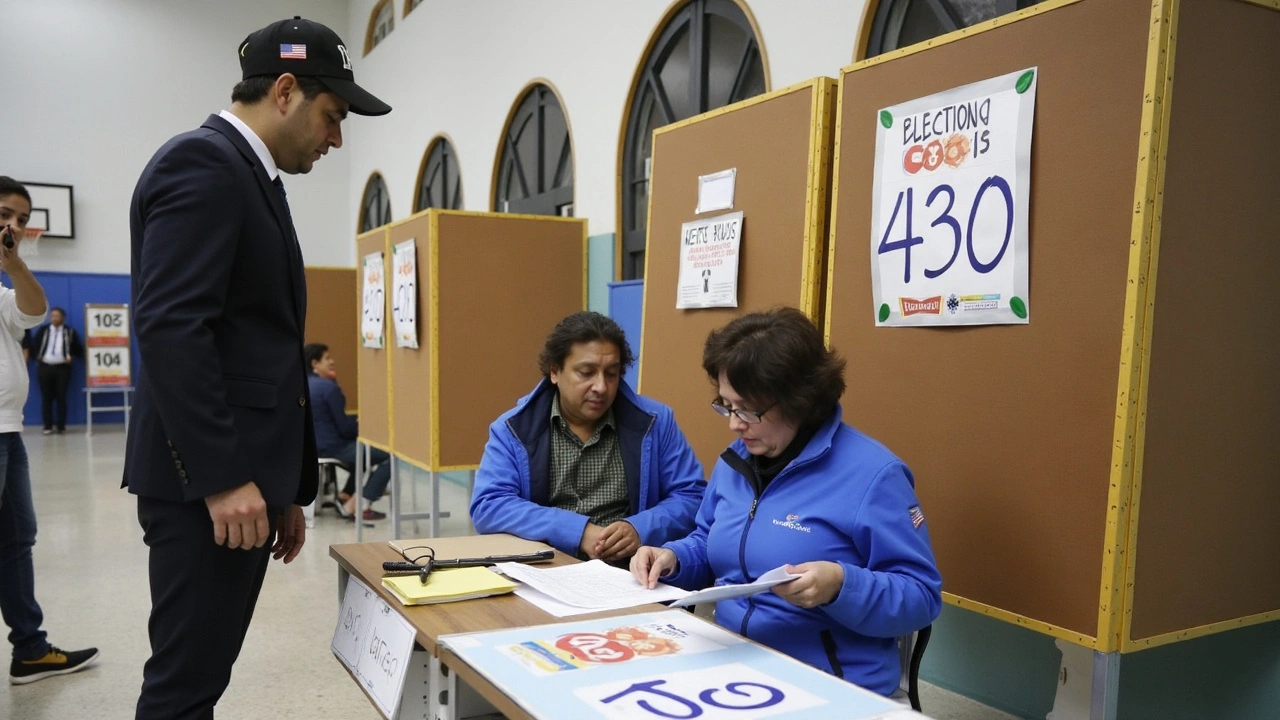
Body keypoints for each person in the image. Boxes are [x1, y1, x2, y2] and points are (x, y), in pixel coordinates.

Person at [123, 18, 390, 719]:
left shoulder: (249, 177)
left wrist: (282, 485)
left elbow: (251, 347)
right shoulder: (204, 165)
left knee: (201, 679)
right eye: (332, 117)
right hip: (202, 488)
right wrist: (223, 478)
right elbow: (174, 329)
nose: (336, 138)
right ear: (284, 89)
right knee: (183, 688)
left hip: (238, 485)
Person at [630, 307, 942, 697]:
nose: (734, 423)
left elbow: (921, 597)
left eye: (747, 409)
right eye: (726, 405)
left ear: (799, 400)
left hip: (826, 685)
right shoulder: (738, 459)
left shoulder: (874, 476)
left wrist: (840, 586)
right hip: (731, 667)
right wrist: (672, 558)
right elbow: (710, 541)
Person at [470, 312, 705, 563]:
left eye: (611, 374)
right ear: (555, 372)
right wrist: (576, 531)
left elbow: (692, 496)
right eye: (586, 372)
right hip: (548, 569)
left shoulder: (656, 423)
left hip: (631, 572)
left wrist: (640, 528)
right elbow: (489, 505)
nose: (601, 387)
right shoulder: (514, 429)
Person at [0, 176, 99, 684]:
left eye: (19, 218)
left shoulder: (4, 282)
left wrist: (15, 263)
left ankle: (30, 649)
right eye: (3, 213)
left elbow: (32, 313)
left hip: (8, 430)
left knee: (18, 538)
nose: (11, 225)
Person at [304, 343, 389, 520]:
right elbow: (345, 428)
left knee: (362, 458)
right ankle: (359, 504)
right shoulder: (328, 388)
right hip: (333, 447)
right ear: (315, 363)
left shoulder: (303, 385)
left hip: (311, 447)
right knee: (391, 457)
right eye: (327, 358)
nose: (332, 361)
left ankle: (344, 497)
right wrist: (365, 428)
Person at [30, 307, 83, 434]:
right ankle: (47, 426)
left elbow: (78, 348)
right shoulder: (43, 330)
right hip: (45, 366)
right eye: (52, 316)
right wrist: (37, 356)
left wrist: (72, 356)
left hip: (62, 368)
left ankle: (61, 426)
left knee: (61, 396)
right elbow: (34, 345)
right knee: (46, 397)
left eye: (57, 316)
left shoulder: (69, 332)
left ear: (63, 318)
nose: (54, 318)